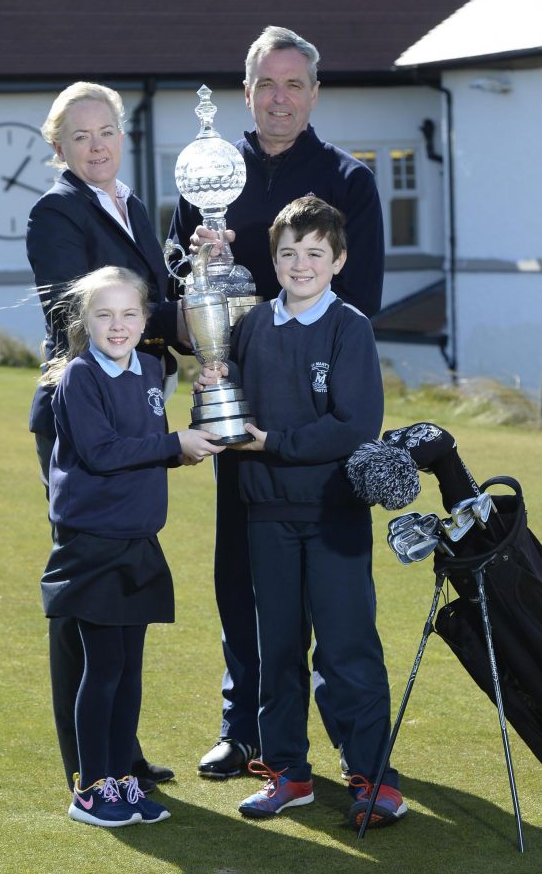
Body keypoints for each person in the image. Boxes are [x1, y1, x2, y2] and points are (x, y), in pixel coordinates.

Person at [170, 26, 385, 777]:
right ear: (247, 90)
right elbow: (183, 301)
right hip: (238, 419)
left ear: (315, 93)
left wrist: (259, 294)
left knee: (335, 600)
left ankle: (352, 746)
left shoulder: (347, 179)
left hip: (318, 430)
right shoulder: (208, 175)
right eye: (267, 83)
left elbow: (361, 300)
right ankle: (249, 728)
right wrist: (207, 332)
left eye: (294, 84)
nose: (279, 98)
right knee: (244, 582)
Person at [196, 197, 405, 829]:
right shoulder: (255, 324)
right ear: (274, 258)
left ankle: (373, 776)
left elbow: (355, 425)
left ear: (338, 260)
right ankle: (287, 772)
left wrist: (275, 444)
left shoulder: (349, 326)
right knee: (277, 647)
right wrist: (212, 396)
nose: (301, 264)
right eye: (289, 253)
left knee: (346, 649)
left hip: (333, 514)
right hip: (265, 512)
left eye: (315, 253)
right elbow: (236, 405)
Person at [27, 81, 188, 793]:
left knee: (126, 584)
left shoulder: (131, 205)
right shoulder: (56, 210)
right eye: (81, 136)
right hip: (85, 408)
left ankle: (120, 750)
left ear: (122, 136)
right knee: (86, 596)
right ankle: (88, 766)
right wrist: (165, 335)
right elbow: (87, 313)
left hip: (135, 403)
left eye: (107, 132)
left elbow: (152, 299)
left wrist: (202, 280)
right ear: (59, 147)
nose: (97, 146)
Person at [41, 266, 223, 827]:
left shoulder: (148, 369)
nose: (116, 325)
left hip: (139, 542)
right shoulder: (78, 378)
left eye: (128, 314)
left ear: (146, 321)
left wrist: (196, 427)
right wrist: (172, 443)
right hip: (93, 545)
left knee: (129, 670)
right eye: (104, 314)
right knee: (103, 668)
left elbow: (149, 444)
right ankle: (91, 789)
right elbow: (100, 452)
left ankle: (122, 779)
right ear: (85, 321)